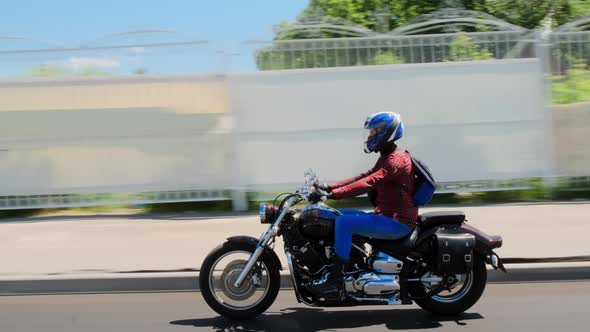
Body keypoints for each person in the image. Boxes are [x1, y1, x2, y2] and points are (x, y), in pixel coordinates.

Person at [306, 112, 418, 296]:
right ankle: (351, 261)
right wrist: (327, 187)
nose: (370, 136)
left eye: (374, 131)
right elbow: (364, 176)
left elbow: (370, 182)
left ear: (386, 132)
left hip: (398, 222)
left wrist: (333, 194)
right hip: (384, 216)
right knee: (336, 215)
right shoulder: (387, 157)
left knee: (344, 223)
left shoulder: (396, 160)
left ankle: (336, 279)